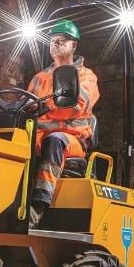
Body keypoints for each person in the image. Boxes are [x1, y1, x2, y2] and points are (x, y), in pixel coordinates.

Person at [27, 20, 100, 228]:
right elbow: (27, 103)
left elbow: (76, 104)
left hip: (72, 140)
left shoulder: (86, 77)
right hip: (38, 137)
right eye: (52, 40)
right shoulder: (40, 78)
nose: (56, 44)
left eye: (62, 40)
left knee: (55, 141)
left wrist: (44, 105)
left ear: (74, 45)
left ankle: (38, 206)